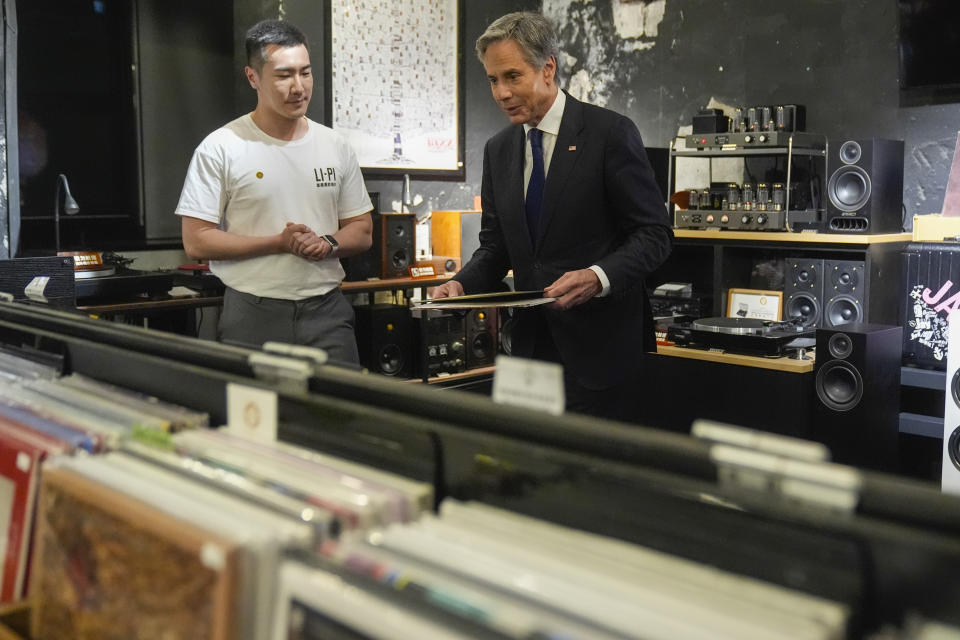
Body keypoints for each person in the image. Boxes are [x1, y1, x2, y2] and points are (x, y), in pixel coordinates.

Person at [432, 11, 673, 422]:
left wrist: (598, 277)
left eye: (512, 76)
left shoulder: (609, 134)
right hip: (526, 353)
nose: (501, 93)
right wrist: (460, 285)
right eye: (493, 80)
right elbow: (496, 247)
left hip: (600, 356)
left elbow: (654, 235)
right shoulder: (498, 150)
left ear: (548, 69)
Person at [175, 19, 373, 365]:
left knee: (341, 416)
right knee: (256, 418)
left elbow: (363, 230)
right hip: (252, 311)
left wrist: (328, 243)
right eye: (284, 75)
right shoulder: (221, 147)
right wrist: (278, 243)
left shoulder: (335, 145)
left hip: (327, 310)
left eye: (305, 73)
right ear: (253, 77)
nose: (299, 87)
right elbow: (197, 241)